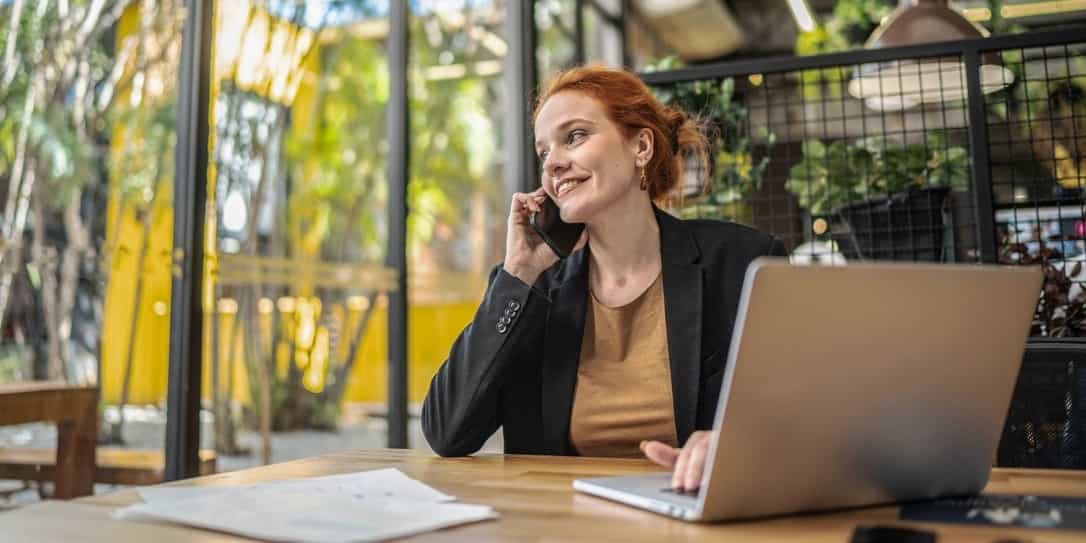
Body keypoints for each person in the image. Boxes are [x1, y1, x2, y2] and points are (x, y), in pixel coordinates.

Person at [421, 65, 786, 491]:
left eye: (574, 136)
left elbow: (803, 417)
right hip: (567, 527)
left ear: (641, 147)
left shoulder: (744, 265)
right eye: (543, 152)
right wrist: (518, 273)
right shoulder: (533, 287)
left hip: (695, 521)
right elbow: (447, 432)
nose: (554, 163)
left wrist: (735, 444)